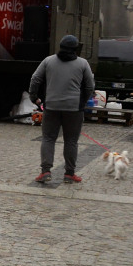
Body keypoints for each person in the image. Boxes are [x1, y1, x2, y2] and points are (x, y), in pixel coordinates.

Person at [30, 35, 94, 183]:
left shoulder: (48, 61)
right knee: (71, 141)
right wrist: (81, 102)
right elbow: (90, 86)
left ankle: (45, 172)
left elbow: (35, 79)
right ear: (76, 49)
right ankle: (69, 174)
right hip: (73, 109)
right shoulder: (83, 64)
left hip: (51, 106)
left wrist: (35, 98)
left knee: (48, 138)